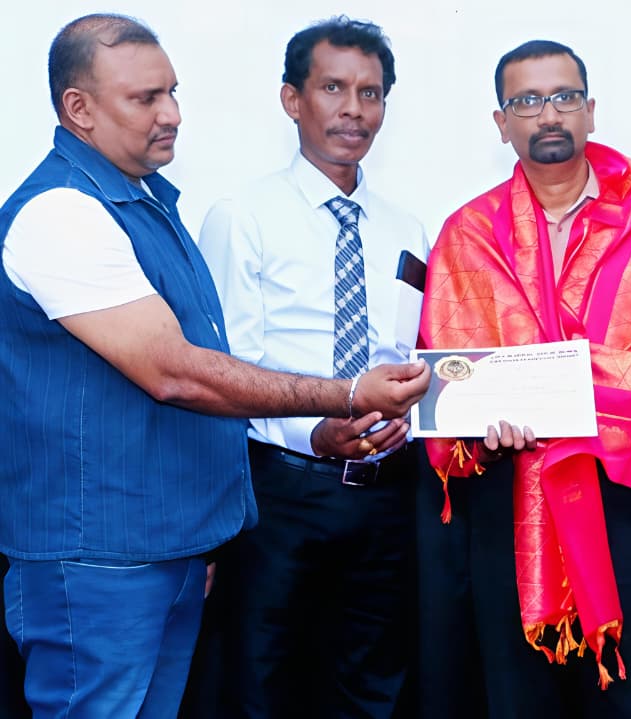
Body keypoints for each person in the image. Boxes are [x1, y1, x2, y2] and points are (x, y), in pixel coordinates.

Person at [0, 14, 430, 719]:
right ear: (79, 108)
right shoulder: (62, 214)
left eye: (172, 92)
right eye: (146, 98)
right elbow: (178, 373)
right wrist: (347, 395)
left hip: (173, 544)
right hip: (101, 560)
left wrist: (202, 542)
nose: (172, 114)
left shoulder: (147, 205)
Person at [418, 39, 631, 719]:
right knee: (518, 695)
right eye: (527, 101)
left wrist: (577, 379)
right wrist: (483, 424)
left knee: (628, 695)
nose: (548, 114)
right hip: (510, 494)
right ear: (501, 122)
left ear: (590, 110)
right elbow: (449, 369)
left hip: (625, 497)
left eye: (564, 97)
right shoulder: (468, 233)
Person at [189, 17, 462, 717]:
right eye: (333, 88)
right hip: (280, 495)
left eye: (370, 93)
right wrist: (314, 431)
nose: (353, 110)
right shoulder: (242, 215)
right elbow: (225, 371)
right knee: (262, 688)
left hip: (386, 497)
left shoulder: (407, 227)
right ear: (292, 99)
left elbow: (405, 354)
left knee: (374, 691)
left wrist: (412, 415)